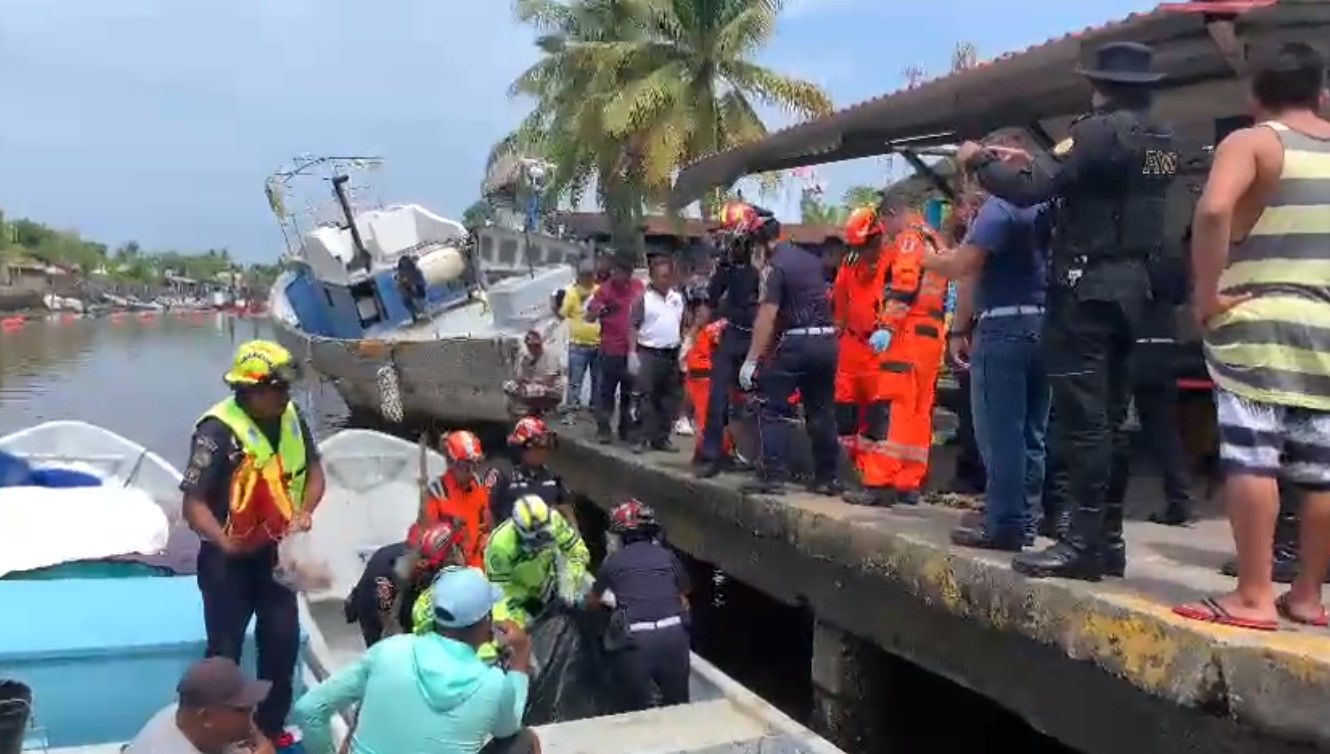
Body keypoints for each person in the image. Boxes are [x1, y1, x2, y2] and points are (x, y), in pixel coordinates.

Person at [957, 41, 1178, 580]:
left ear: (1098, 84)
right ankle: (1107, 539)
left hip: (1087, 290)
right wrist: (1033, 159)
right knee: (1113, 417)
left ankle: (1080, 544)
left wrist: (979, 160)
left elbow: (1034, 190)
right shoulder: (1161, 139)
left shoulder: (1096, 130)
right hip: (1136, 288)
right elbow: (1093, 178)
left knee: (1081, 422)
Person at [1174, 42, 1330, 630]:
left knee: (1253, 458)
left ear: (1255, 95)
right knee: (1321, 469)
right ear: (1320, 91)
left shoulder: (1254, 141)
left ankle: (1254, 595)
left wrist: (1207, 294)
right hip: (1324, 325)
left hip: (1259, 320)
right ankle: (1308, 596)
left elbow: (1213, 212)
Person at [181, 340, 326, 738]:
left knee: (281, 644)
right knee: (224, 656)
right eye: (279, 389)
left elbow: (314, 473)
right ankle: (215, 736)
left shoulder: (292, 416)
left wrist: (305, 512)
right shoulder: (216, 431)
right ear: (253, 390)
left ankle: (269, 730)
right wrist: (224, 541)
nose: (287, 396)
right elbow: (193, 505)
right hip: (227, 563)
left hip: (277, 556)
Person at [924, 172, 1052, 551]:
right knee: (1032, 433)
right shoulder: (1046, 206)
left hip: (1004, 327)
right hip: (1044, 324)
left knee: (1001, 433)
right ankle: (1025, 519)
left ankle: (1004, 524)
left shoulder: (1000, 209)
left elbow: (965, 268)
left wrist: (929, 258)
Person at [293, 566, 540, 754]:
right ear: (486, 620)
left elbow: (309, 709)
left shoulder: (390, 650)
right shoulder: (493, 683)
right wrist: (519, 662)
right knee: (524, 741)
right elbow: (508, 729)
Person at [737, 206, 840, 496]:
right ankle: (827, 478)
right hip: (827, 341)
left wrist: (751, 361)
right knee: (821, 411)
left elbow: (767, 316)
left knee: (771, 407)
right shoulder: (809, 260)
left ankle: (773, 476)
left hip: (797, 342)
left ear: (757, 242)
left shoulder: (774, 266)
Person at [866, 207, 951, 506]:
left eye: (883, 224)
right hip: (932, 334)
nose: (884, 232)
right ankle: (909, 482)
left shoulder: (909, 239)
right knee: (919, 410)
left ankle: (880, 481)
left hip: (907, 332)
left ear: (893, 214)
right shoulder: (937, 241)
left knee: (895, 406)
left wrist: (888, 326)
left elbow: (904, 284)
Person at [589, 499, 691, 712]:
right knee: (679, 705)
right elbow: (684, 597)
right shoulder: (667, 556)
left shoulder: (613, 562)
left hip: (637, 641)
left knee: (633, 707)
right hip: (675, 637)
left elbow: (592, 601)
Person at [1107, 283, 1195, 527]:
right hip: (1164, 346)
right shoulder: (1168, 259)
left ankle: (1106, 502)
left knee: (1110, 426)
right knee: (1164, 431)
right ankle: (1180, 499)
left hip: (1132, 344)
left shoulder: (1128, 257)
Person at [833, 207, 903, 507]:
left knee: (877, 422)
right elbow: (839, 306)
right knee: (845, 418)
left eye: (867, 245)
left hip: (882, 349)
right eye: (858, 247)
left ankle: (877, 482)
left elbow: (901, 301)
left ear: (879, 237)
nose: (864, 252)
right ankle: (857, 473)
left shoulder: (895, 263)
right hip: (851, 347)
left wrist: (888, 330)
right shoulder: (848, 265)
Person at [694, 207, 763, 478]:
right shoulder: (727, 263)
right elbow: (710, 300)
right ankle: (714, 455)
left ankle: (764, 460)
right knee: (717, 396)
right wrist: (692, 336)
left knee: (763, 398)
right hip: (733, 333)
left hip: (758, 336)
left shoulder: (765, 259)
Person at [344, 519, 468, 647]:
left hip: (371, 603)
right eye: (460, 550)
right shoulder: (419, 580)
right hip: (378, 615)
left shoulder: (400, 556)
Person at [125, 657, 274, 754]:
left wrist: (255, 736)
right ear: (205, 717)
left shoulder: (185, 713)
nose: (251, 714)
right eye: (241, 710)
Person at [485, 494, 592, 628]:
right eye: (538, 539)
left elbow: (577, 551)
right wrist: (522, 604)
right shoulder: (500, 546)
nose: (543, 543)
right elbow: (498, 592)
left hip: (553, 578)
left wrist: (569, 583)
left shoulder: (554, 520)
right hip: (521, 594)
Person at [587, 254, 644, 445]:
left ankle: (625, 428)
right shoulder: (605, 290)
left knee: (629, 392)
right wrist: (600, 310)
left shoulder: (637, 287)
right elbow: (591, 313)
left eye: (628, 272)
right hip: (611, 349)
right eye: (620, 272)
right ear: (615, 271)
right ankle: (604, 428)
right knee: (607, 392)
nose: (624, 276)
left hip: (632, 350)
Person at [630, 257, 685, 453]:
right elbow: (633, 327)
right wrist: (632, 353)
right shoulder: (643, 299)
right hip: (648, 353)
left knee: (669, 399)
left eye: (668, 275)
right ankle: (641, 438)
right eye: (661, 276)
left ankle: (662, 438)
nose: (665, 279)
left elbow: (681, 324)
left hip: (671, 352)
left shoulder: (677, 298)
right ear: (653, 277)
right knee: (645, 398)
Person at [423, 430, 494, 568]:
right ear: (450, 463)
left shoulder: (478, 485)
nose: (470, 471)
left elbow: (486, 524)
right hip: (448, 568)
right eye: (464, 465)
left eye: (474, 464)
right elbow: (429, 543)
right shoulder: (437, 492)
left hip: (478, 567)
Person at [488, 416, 571, 525]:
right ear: (522, 447)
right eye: (539, 447)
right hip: (511, 537)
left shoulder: (554, 477)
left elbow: (566, 510)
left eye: (547, 446)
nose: (544, 451)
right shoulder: (502, 474)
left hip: (545, 537)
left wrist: (577, 537)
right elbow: (486, 511)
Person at [683, 317, 736, 463]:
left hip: (705, 372)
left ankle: (717, 451)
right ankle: (704, 454)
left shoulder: (719, 326)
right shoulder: (723, 327)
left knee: (715, 415)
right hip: (704, 373)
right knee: (707, 417)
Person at [559, 260, 601, 416]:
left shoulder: (599, 291)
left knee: (598, 381)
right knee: (575, 381)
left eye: (591, 274)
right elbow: (562, 314)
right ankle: (572, 410)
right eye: (586, 275)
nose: (589, 277)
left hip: (598, 343)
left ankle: (595, 408)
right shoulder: (571, 292)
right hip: (578, 344)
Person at [504, 330, 565, 418]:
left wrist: (533, 382)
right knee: (510, 387)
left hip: (551, 389)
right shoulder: (527, 357)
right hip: (534, 385)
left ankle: (542, 409)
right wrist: (524, 366)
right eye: (530, 346)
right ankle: (524, 410)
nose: (533, 348)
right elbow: (520, 378)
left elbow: (549, 379)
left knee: (532, 390)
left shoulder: (550, 355)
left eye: (536, 346)